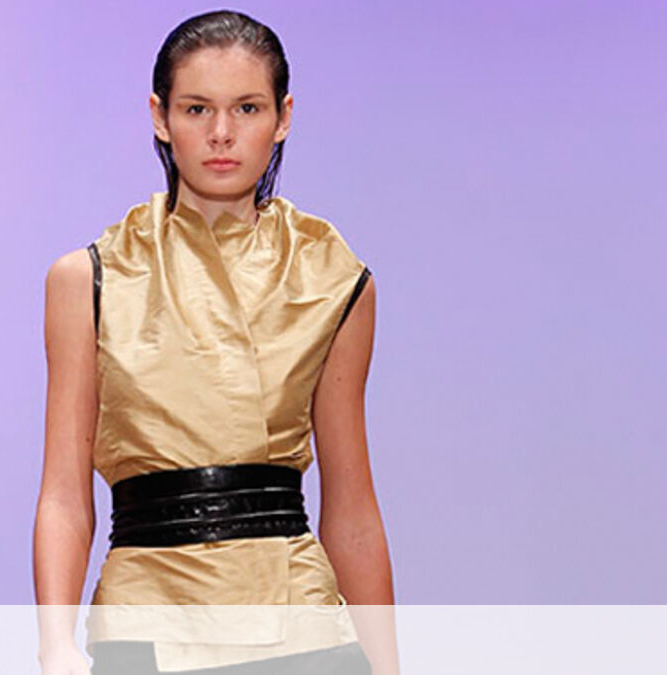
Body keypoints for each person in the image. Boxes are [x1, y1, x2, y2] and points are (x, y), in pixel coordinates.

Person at [34, 10, 397, 675]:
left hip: (303, 626)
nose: (222, 133)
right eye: (197, 108)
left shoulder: (333, 279)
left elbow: (351, 504)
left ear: (283, 117)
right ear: (160, 116)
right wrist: (54, 646)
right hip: (147, 619)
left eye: (248, 108)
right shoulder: (88, 280)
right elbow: (63, 491)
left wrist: (388, 664)